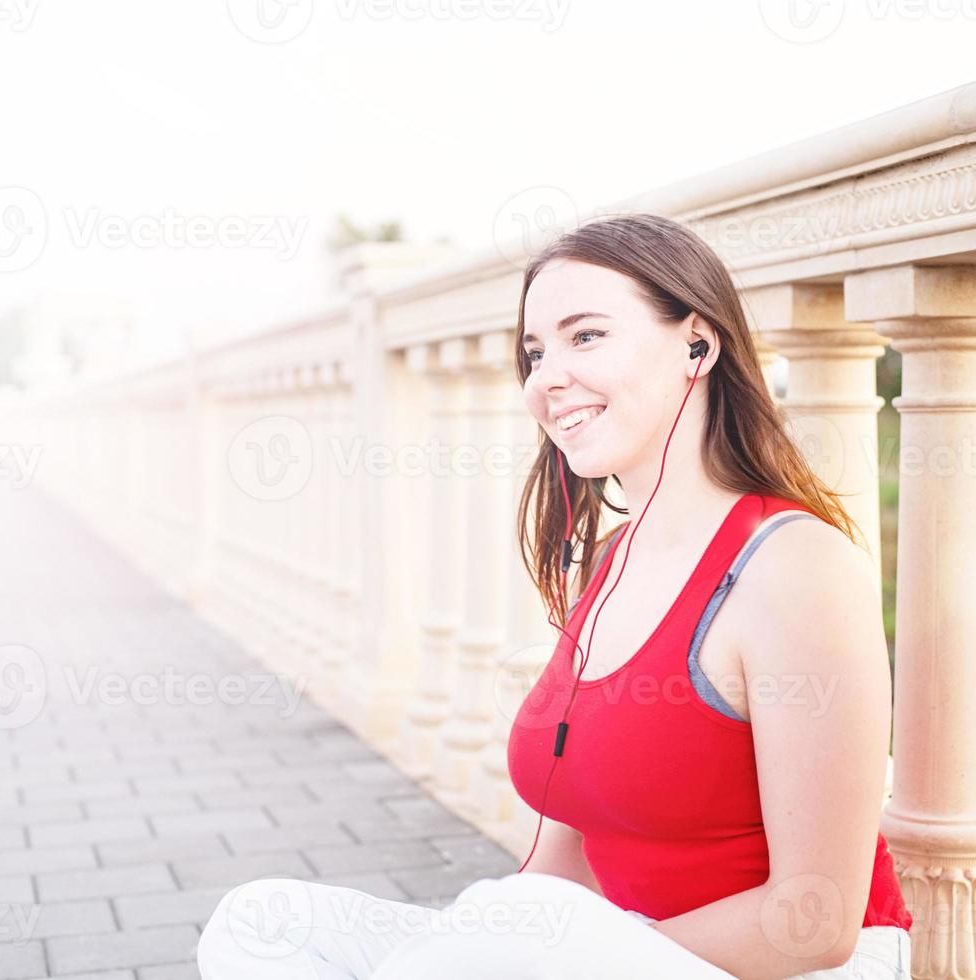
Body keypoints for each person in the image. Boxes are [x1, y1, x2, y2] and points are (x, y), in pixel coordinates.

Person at [197, 212, 913, 978]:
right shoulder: (607, 563)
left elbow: (814, 924)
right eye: (534, 352)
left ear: (696, 345)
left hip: (782, 965)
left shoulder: (792, 566)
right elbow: (559, 871)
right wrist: (495, 942)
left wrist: (532, 955)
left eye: (585, 337)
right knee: (260, 924)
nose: (546, 379)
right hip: (605, 946)